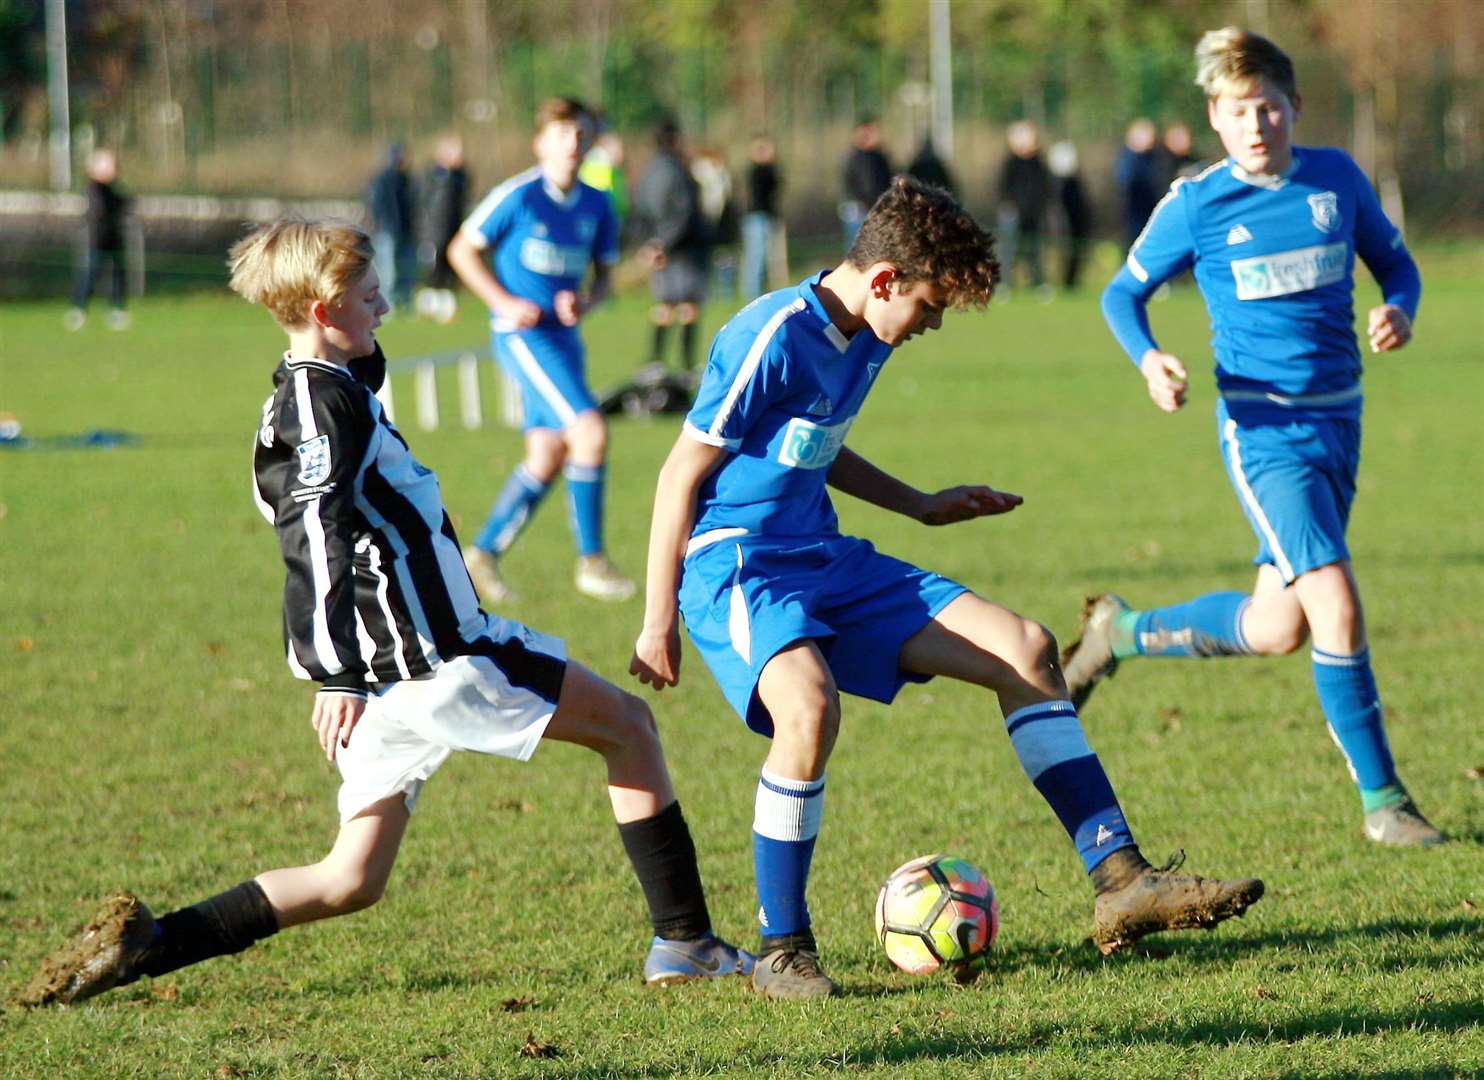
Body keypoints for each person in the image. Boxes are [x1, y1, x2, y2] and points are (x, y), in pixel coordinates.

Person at [15, 219, 751, 1008]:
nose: (387, 306)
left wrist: (351, 673)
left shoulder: (318, 390)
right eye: (370, 296)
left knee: (351, 879)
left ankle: (152, 945)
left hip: (390, 674)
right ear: (326, 308)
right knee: (630, 729)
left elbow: (338, 475)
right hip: (436, 656)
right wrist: (334, 673)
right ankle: (686, 943)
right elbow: (315, 537)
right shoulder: (318, 410)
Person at [629, 176, 1265, 1000]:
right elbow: (680, 474)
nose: (931, 324)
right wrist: (655, 621)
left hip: (825, 554)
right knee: (810, 708)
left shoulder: (868, 334)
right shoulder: (772, 335)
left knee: (1028, 649)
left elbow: (809, 444)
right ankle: (782, 949)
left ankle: (1123, 882)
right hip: (737, 563)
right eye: (931, 305)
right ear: (886, 280)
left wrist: (919, 505)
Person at [1065, 27, 1442, 848]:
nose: (1257, 125)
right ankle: (1385, 803)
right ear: (1216, 117)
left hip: (1342, 419)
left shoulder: (1335, 180)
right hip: (1263, 431)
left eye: (1268, 108)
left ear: (1294, 107)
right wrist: (1152, 359)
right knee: (1335, 603)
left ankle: (1120, 633)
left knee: (1280, 627)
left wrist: (1398, 311)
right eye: (1239, 112)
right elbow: (1120, 297)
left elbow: (1400, 266)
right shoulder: (1197, 203)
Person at [449, 98, 636, 604]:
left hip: (564, 339)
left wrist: (585, 300)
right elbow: (461, 249)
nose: (573, 142)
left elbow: (604, 282)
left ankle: (481, 553)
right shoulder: (520, 196)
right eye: (562, 133)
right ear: (541, 142)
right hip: (522, 337)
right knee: (590, 431)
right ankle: (592, 561)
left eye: (581, 133)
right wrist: (504, 302)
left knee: (549, 453)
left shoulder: (598, 204)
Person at [633, 116, 710, 377]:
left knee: (664, 305)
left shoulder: (647, 172)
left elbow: (639, 211)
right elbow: (685, 213)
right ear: (674, 139)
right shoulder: (679, 171)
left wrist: (649, 245)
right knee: (688, 306)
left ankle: (655, 362)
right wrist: (665, 243)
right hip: (683, 250)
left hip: (659, 251)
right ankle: (688, 365)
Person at [65, 148, 131, 332]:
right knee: (91, 273)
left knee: (118, 274)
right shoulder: (94, 190)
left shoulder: (112, 190)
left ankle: (117, 309)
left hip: (114, 239)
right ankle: (79, 308)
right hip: (97, 240)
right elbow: (98, 212)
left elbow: (125, 202)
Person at [415, 133, 469, 324]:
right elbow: (422, 203)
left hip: (454, 231)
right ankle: (429, 306)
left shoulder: (460, 177)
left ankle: (447, 307)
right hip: (434, 231)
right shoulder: (432, 175)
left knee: (450, 270)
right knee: (433, 269)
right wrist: (424, 229)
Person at [996, 120, 1051, 296]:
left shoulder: (1038, 163)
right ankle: (1005, 284)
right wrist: (1011, 206)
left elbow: (1045, 187)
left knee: (1034, 250)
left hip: (1033, 213)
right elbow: (1003, 188)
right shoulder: (1010, 162)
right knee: (1009, 250)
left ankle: (1038, 283)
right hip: (1012, 214)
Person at [365, 142, 416, 311]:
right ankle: (389, 305)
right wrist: (383, 225)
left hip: (405, 231)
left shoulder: (406, 179)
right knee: (389, 272)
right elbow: (376, 205)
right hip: (387, 231)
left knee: (407, 270)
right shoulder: (382, 180)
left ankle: (406, 304)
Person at [839, 118, 892, 250]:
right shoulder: (852, 156)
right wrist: (862, 201)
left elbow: (887, 179)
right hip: (856, 208)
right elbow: (849, 183)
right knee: (855, 246)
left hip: (876, 206)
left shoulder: (879, 157)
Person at [1048, 140, 1093, 291]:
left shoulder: (1075, 181)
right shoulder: (1055, 183)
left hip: (1076, 222)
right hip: (1063, 224)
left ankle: (1071, 281)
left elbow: (1081, 204)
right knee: (1063, 252)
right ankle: (1063, 281)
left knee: (1075, 252)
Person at [741, 135, 782, 300]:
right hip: (757, 218)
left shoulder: (766, 170)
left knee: (763, 258)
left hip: (764, 217)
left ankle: (759, 290)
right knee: (756, 257)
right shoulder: (756, 172)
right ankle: (753, 293)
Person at [1114, 118, 1162, 253]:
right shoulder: (1128, 159)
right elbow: (1126, 184)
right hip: (1133, 218)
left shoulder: (1151, 157)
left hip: (1148, 215)